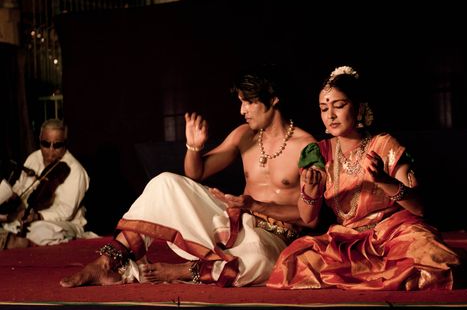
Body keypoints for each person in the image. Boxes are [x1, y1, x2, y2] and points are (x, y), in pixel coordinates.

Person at [59, 68, 317, 288]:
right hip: (237, 221)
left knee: (260, 260)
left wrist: (256, 205)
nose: (242, 110)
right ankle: (107, 262)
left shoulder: (306, 146)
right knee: (164, 183)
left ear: (273, 99)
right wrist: (194, 147)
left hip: (274, 237)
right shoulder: (244, 135)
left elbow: (310, 216)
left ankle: (185, 270)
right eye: (241, 102)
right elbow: (197, 173)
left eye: (249, 102)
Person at [266, 65, 461, 290]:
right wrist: (310, 191)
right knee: (294, 263)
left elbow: (419, 208)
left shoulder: (384, 144)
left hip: (394, 233)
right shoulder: (319, 152)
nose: (330, 115)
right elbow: (308, 218)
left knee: (435, 265)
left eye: (339, 106)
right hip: (348, 240)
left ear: (359, 109)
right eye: (323, 108)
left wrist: (383, 180)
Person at [0, 119, 90, 250]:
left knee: (41, 231)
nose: (51, 150)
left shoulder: (76, 170)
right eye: (45, 144)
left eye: (57, 145)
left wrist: (38, 216)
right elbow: (20, 186)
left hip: (60, 222)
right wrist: (13, 197)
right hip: (23, 216)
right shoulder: (33, 158)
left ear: (65, 144)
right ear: (40, 140)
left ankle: (16, 241)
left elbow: (66, 211)